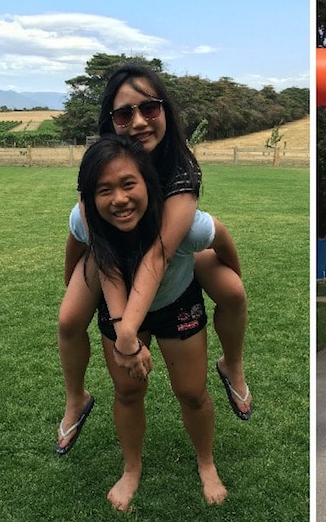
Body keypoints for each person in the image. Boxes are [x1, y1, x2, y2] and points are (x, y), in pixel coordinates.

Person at [56, 63, 251, 455]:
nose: (140, 122)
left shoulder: (180, 168)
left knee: (234, 291)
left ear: (165, 110)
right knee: (68, 319)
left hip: (171, 255)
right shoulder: (98, 168)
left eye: (150, 108)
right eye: (125, 113)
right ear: (110, 121)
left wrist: (230, 269)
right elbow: (88, 241)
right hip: (111, 262)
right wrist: (117, 323)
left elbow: (163, 252)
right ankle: (75, 397)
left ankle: (233, 365)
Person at [74, 134, 232, 509]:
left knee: (192, 393)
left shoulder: (185, 225)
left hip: (176, 302)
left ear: (149, 183)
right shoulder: (89, 222)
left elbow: (221, 238)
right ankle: (131, 469)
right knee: (128, 392)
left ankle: (206, 464)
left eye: (129, 184)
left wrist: (232, 285)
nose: (119, 200)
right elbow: (75, 242)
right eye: (104, 190)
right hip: (120, 311)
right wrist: (74, 286)